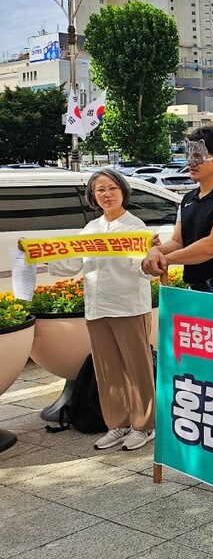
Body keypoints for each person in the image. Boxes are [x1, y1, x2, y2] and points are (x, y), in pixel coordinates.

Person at [41, 168, 156, 451]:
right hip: (97, 309)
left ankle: (144, 426)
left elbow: (142, 269)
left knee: (137, 369)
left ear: (123, 191)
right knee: (107, 371)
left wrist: (149, 256)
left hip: (128, 309)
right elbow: (70, 265)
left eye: (112, 188)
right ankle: (117, 424)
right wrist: (38, 255)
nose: (107, 194)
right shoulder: (90, 229)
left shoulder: (136, 228)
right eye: (100, 190)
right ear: (93, 196)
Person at [141, 127, 213, 296]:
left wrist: (166, 258)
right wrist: (156, 251)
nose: (191, 163)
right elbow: (177, 242)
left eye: (199, 156)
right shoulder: (188, 199)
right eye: (188, 155)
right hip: (195, 288)